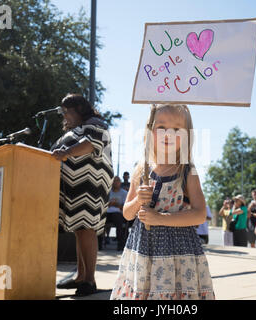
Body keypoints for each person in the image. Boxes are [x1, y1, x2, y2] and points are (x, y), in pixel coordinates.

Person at [110, 104, 214, 300]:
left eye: (176, 129)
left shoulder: (186, 171)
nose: (168, 134)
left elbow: (200, 214)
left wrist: (160, 218)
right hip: (143, 249)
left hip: (179, 252)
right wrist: (138, 201)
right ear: (150, 131)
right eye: (161, 127)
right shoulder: (141, 169)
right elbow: (127, 213)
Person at [51, 93, 114, 295]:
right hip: (75, 185)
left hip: (91, 184)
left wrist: (67, 153)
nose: (65, 115)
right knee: (80, 230)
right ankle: (80, 276)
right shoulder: (75, 129)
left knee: (86, 228)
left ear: (79, 108)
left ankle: (89, 280)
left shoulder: (95, 123)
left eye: (67, 111)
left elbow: (90, 145)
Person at [105, 176, 128, 251]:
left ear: (120, 182)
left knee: (118, 220)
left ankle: (120, 244)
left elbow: (125, 207)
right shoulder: (107, 192)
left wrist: (115, 204)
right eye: (114, 180)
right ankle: (99, 244)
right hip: (107, 213)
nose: (115, 182)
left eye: (117, 180)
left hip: (118, 214)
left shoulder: (124, 193)